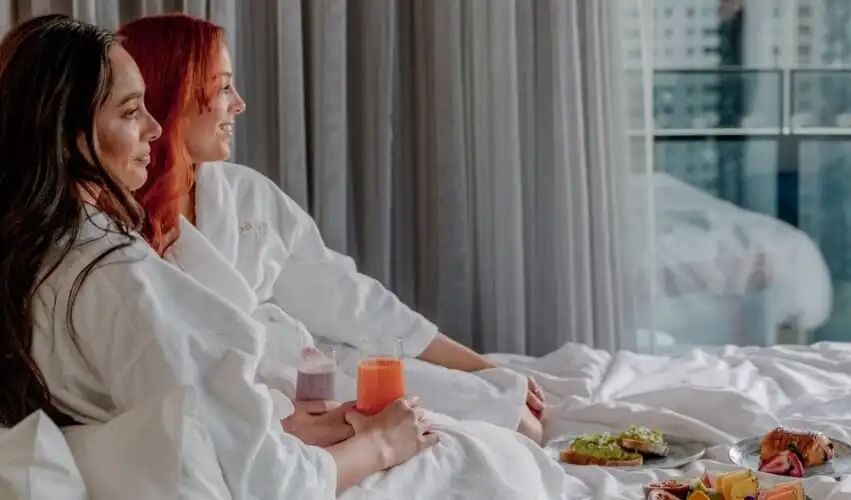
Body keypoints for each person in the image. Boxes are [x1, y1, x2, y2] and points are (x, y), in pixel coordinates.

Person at [0, 14, 437, 496]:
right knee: (480, 458)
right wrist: (382, 446)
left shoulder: (34, 257)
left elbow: (173, 416)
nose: (153, 127)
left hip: (243, 442)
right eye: (130, 112)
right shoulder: (120, 279)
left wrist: (270, 431)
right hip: (283, 474)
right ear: (68, 135)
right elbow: (275, 485)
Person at [117, 13, 545, 443]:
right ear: (177, 91)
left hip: (307, 381)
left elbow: (350, 299)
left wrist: (483, 366)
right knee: (494, 429)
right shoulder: (114, 220)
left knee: (511, 410)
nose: (239, 103)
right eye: (224, 85)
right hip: (243, 405)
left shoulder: (247, 194)